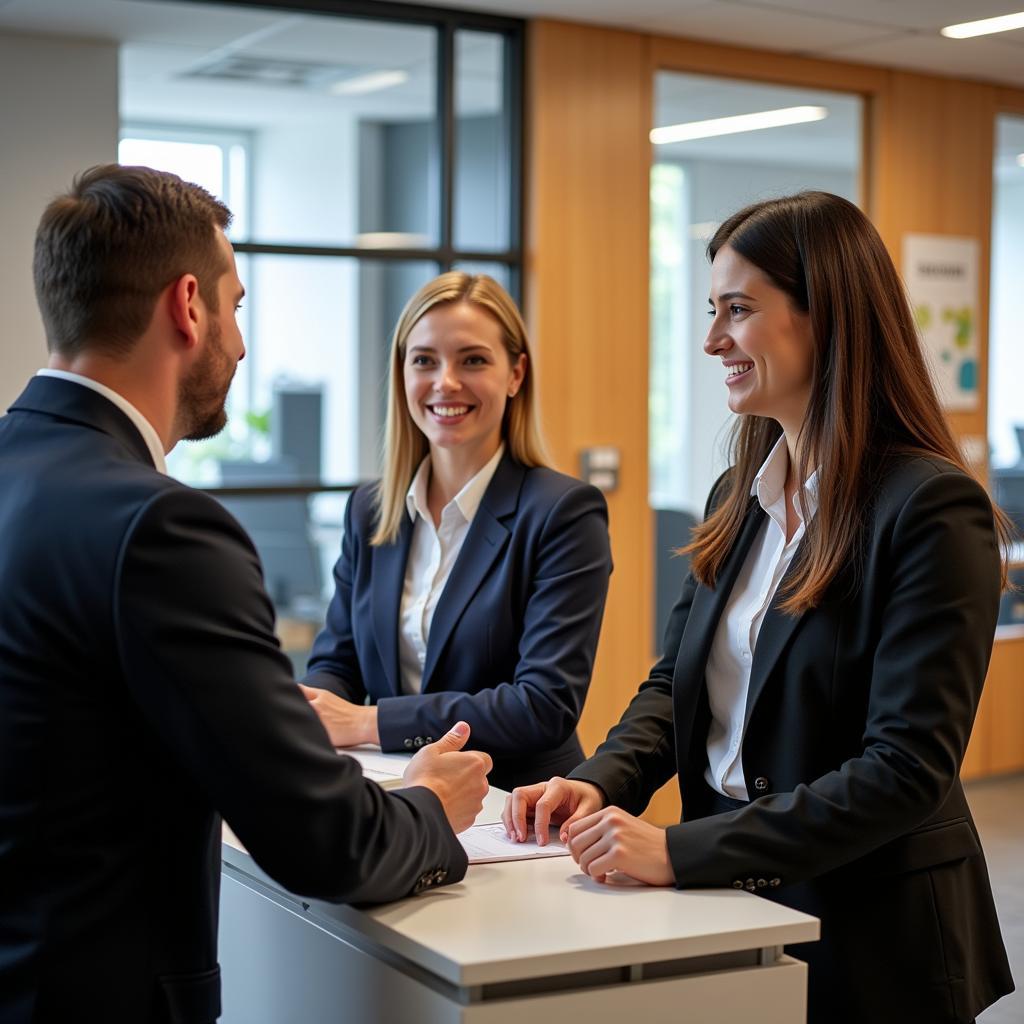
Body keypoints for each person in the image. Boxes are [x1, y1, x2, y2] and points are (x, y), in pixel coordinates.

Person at [504, 191, 1015, 1024]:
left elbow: (906, 773)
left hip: (871, 930)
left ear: (828, 318)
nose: (712, 341)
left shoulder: (929, 508)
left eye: (737, 311)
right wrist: (597, 785)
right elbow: (674, 686)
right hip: (734, 901)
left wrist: (678, 849)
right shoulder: (739, 493)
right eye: (713, 310)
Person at [0, 165, 492, 1024]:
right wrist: (428, 808)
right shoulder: (160, 528)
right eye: (236, 306)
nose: (239, 342)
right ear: (188, 307)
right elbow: (324, 844)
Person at [299, 272, 612, 792]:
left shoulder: (563, 513)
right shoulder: (371, 510)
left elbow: (542, 704)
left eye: (472, 360)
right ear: (402, 373)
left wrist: (367, 722)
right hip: (394, 792)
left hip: (516, 808)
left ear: (515, 374)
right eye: (424, 360)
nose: (445, 381)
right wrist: (316, 710)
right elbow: (338, 660)